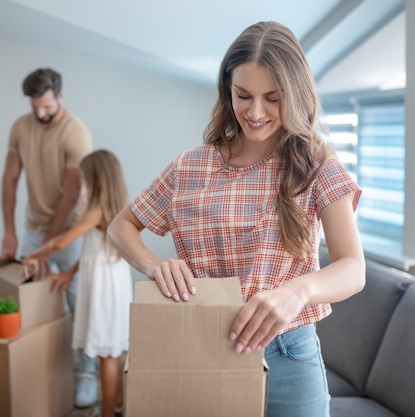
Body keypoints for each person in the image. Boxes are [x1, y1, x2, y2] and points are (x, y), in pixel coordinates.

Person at [107, 21, 366, 417]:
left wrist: (297, 291)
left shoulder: (316, 164)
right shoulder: (190, 166)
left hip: (288, 353)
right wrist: (156, 267)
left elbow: (353, 268)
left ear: (294, 94)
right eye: (243, 95)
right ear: (227, 91)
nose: (255, 111)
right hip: (198, 344)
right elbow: (120, 225)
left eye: (273, 98)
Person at [0, 67, 98, 408]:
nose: (40, 113)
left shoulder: (76, 133)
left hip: (70, 229)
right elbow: (10, 179)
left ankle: (86, 372)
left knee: (77, 301)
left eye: (46, 106)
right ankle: (34, 364)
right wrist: (10, 232)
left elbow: (71, 197)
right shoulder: (21, 127)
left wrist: (48, 248)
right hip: (33, 228)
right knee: (27, 297)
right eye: (34, 106)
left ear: (60, 96)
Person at [21, 150, 132, 417]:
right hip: (114, 279)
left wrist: (32, 255)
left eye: (84, 178)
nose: (82, 184)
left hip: (103, 286)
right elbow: (94, 250)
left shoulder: (96, 211)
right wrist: (70, 272)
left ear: (96, 179)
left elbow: (62, 242)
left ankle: (106, 412)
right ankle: (117, 404)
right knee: (113, 349)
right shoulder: (117, 208)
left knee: (106, 352)